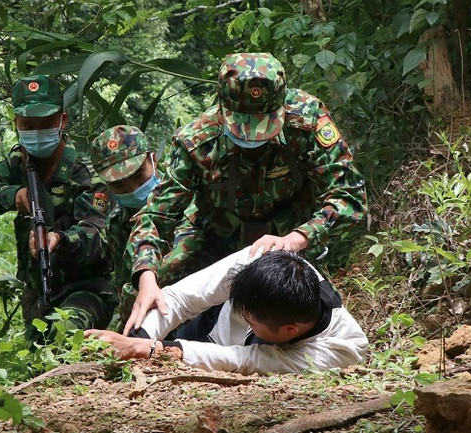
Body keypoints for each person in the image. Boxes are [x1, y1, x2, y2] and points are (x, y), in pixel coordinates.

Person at [124, 52, 368, 334]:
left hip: (285, 240)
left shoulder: (308, 121)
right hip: (213, 233)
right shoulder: (197, 141)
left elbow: (349, 194)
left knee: (305, 313)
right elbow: (155, 215)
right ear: (223, 108)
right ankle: (126, 350)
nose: (253, 136)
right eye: (243, 124)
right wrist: (146, 277)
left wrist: (299, 238)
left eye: (264, 123)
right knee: (146, 291)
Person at [0, 75, 116, 341]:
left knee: (65, 338)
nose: (36, 132)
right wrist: (13, 196)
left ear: (62, 121)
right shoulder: (18, 163)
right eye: (28, 125)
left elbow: (97, 236)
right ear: (16, 124)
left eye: (45, 124)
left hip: (85, 290)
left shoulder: (85, 173)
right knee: (37, 366)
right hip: (38, 293)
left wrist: (61, 240)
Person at [85, 248, 368, 375]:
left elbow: (243, 359)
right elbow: (181, 298)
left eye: (251, 320)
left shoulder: (339, 350)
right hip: (209, 330)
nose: (243, 319)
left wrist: (150, 350)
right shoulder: (262, 259)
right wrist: (140, 335)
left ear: (290, 330)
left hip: (222, 351)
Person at [89, 125, 202, 327]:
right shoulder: (117, 223)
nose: (133, 189)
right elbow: (125, 283)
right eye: (119, 185)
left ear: (153, 159)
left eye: (138, 176)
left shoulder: (188, 197)